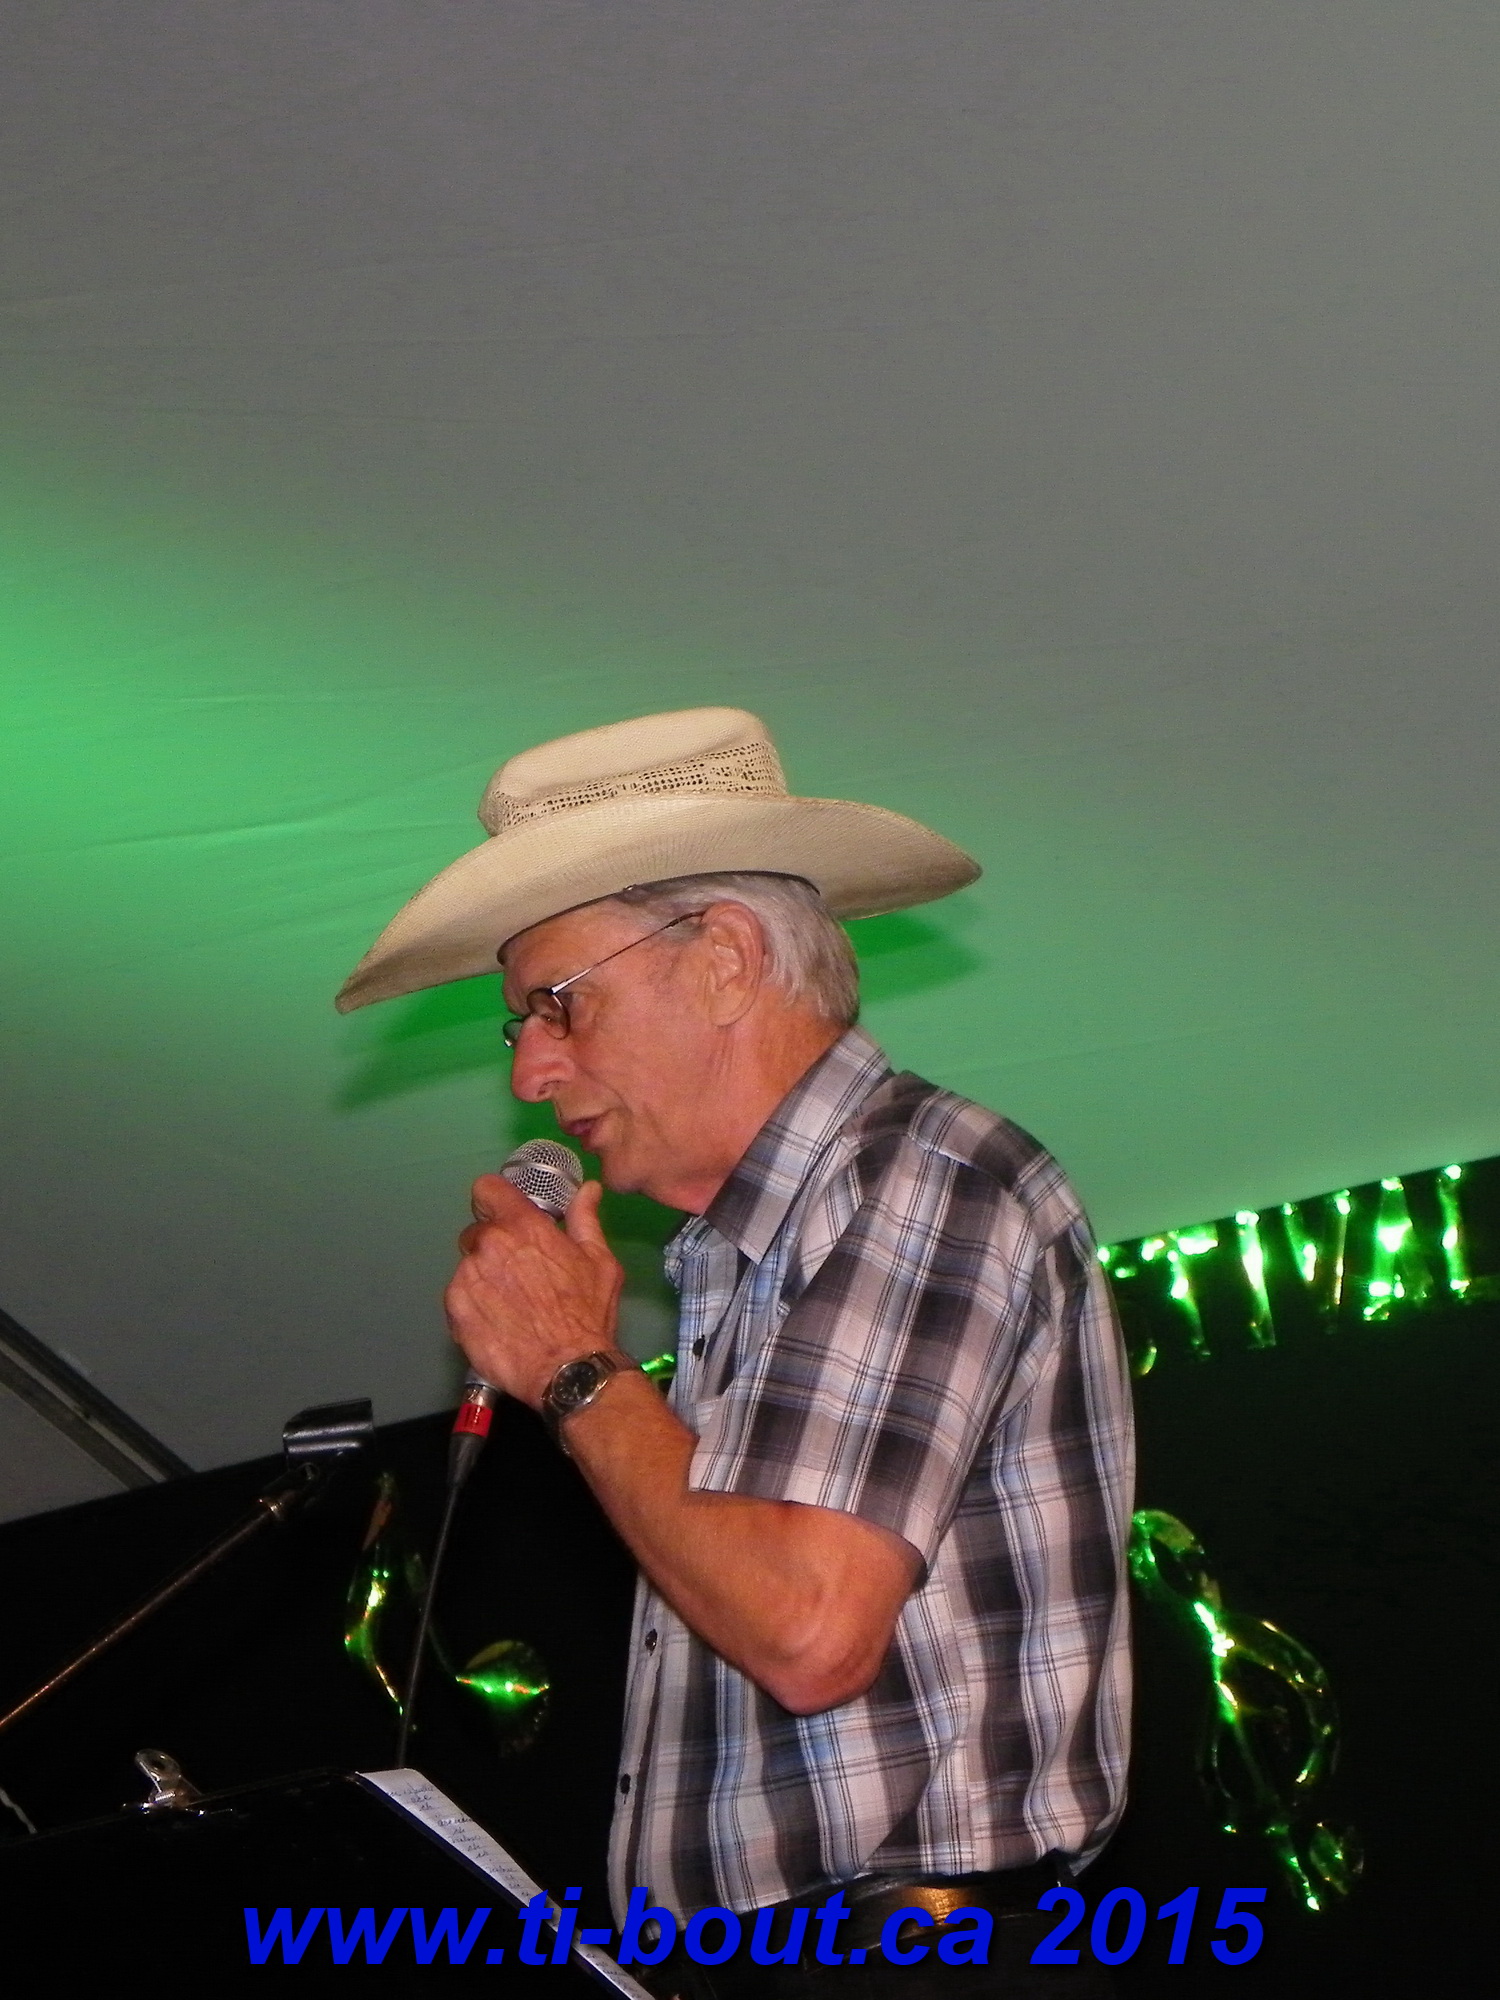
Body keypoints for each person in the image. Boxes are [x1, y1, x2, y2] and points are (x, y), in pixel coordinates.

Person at [337, 707, 1133, 1995]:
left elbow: (808, 1630)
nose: (531, 1072)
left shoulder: (913, 1177)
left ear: (722, 959)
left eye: (558, 1006)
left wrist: (575, 1368)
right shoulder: (735, 1259)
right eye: (518, 1025)